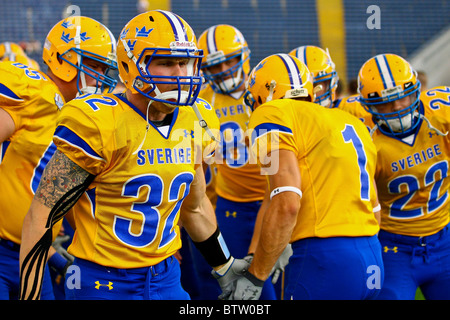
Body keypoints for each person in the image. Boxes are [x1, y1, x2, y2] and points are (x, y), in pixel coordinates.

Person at [19, 10, 249, 300]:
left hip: (166, 278)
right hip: (102, 281)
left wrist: (225, 264)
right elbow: (41, 216)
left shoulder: (197, 118)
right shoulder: (100, 122)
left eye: (185, 62)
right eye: (166, 63)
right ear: (131, 65)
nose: (180, 73)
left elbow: (196, 206)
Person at [228, 53, 384, 300]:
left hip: (323, 258)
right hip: (371, 254)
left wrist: (256, 275)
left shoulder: (271, 113)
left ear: (262, 94)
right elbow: (375, 208)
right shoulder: (349, 120)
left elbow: (287, 202)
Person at [0, 16, 118, 300]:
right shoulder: (38, 93)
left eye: (105, 67)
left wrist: (53, 252)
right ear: (65, 61)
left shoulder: (81, 114)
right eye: (95, 65)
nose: (102, 76)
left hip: (36, 254)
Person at [180, 24, 276, 300]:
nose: (224, 70)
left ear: (244, 55)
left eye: (230, 60)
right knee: (226, 288)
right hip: (229, 204)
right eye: (215, 65)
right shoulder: (200, 101)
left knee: (273, 288)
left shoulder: (266, 89)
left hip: (275, 197)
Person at [357, 53, 450, 300]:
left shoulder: (441, 116)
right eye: (386, 103)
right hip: (393, 249)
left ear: (416, 90)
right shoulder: (365, 138)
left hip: (445, 239)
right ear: (370, 106)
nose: (398, 107)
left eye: (403, 96)